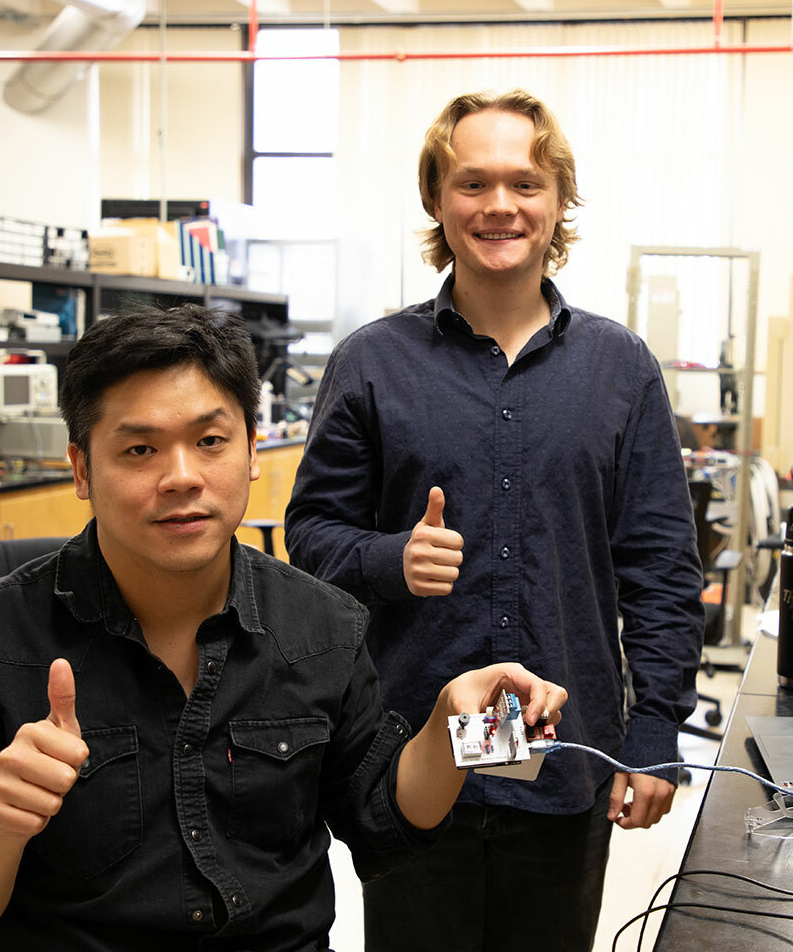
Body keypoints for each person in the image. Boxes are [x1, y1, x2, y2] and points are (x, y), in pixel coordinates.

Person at [0, 303, 567, 952]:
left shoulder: (323, 625)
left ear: (252, 452)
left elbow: (382, 821)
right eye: (140, 450)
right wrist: (2, 820)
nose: (181, 477)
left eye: (210, 441)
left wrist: (458, 726)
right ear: (81, 468)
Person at [284, 89, 705, 951]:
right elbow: (311, 539)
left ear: (559, 202)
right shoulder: (372, 364)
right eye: (473, 183)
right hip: (412, 762)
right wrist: (387, 558)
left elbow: (660, 568)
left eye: (525, 183)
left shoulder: (620, 369)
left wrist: (658, 723)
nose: (500, 206)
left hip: (564, 759)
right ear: (438, 200)